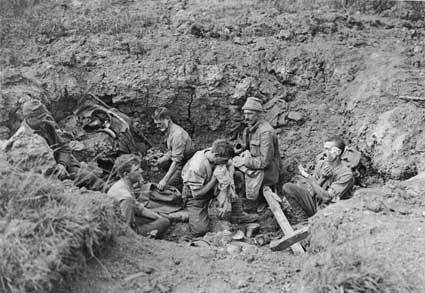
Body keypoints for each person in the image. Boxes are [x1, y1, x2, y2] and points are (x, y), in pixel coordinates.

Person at [8, 99, 104, 190]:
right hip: (47, 178)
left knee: (90, 178)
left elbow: (64, 147)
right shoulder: (22, 139)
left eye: (44, 116)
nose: (44, 120)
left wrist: (62, 164)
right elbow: (27, 170)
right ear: (29, 118)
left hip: (63, 165)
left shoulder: (47, 126)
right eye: (40, 118)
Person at [182, 139, 256, 237]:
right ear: (216, 156)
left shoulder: (216, 153)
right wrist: (214, 180)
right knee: (200, 230)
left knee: (237, 176)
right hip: (195, 195)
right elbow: (196, 194)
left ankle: (237, 213)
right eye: (224, 160)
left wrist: (230, 187)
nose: (225, 162)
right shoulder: (196, 167)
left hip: (212, 186)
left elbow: (230, 164)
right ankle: (187, 215)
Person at [282, 136, 354, 220]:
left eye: (328, 149)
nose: (324, 153)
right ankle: (304, 220)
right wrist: (322, 179)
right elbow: (311, 193)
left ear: (338, 152)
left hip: (331, 211)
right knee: (288, 188)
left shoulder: (346, 174)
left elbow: (327, 198)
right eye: (324, 149)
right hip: (316, 204)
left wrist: (311, 180)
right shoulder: (321, 164)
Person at [233, 96, 280, 210]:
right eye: (245, 114)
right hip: (255, 163)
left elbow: (265, 163)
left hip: (267, 173)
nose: (246, 117)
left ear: (258, 114)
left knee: (237, 175)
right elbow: (246, 146)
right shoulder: (251, 128)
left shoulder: (265, 132)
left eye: (250, 114)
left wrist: (244, 161)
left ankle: (252, 201)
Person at [108, 154, 170, 237]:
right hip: (124, 231)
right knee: (165, 222)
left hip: (123, 223)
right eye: (136, 169)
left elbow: (139, 209)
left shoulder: (123, 185)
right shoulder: (126, 197)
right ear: (126, 174)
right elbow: (125, 229)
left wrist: (157, 217)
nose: (141, 171)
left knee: (159, 218)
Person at [153, 107, 195, 191]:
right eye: (156, 124)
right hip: (181, 162)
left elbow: (177, 161)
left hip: (187, 164)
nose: (157, 126)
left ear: (168, 119)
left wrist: (164, 180)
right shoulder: (169, 131)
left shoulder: (177, 135)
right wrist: (159, 160)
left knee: (164, 187)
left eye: (159, 123)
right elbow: (172, 151)